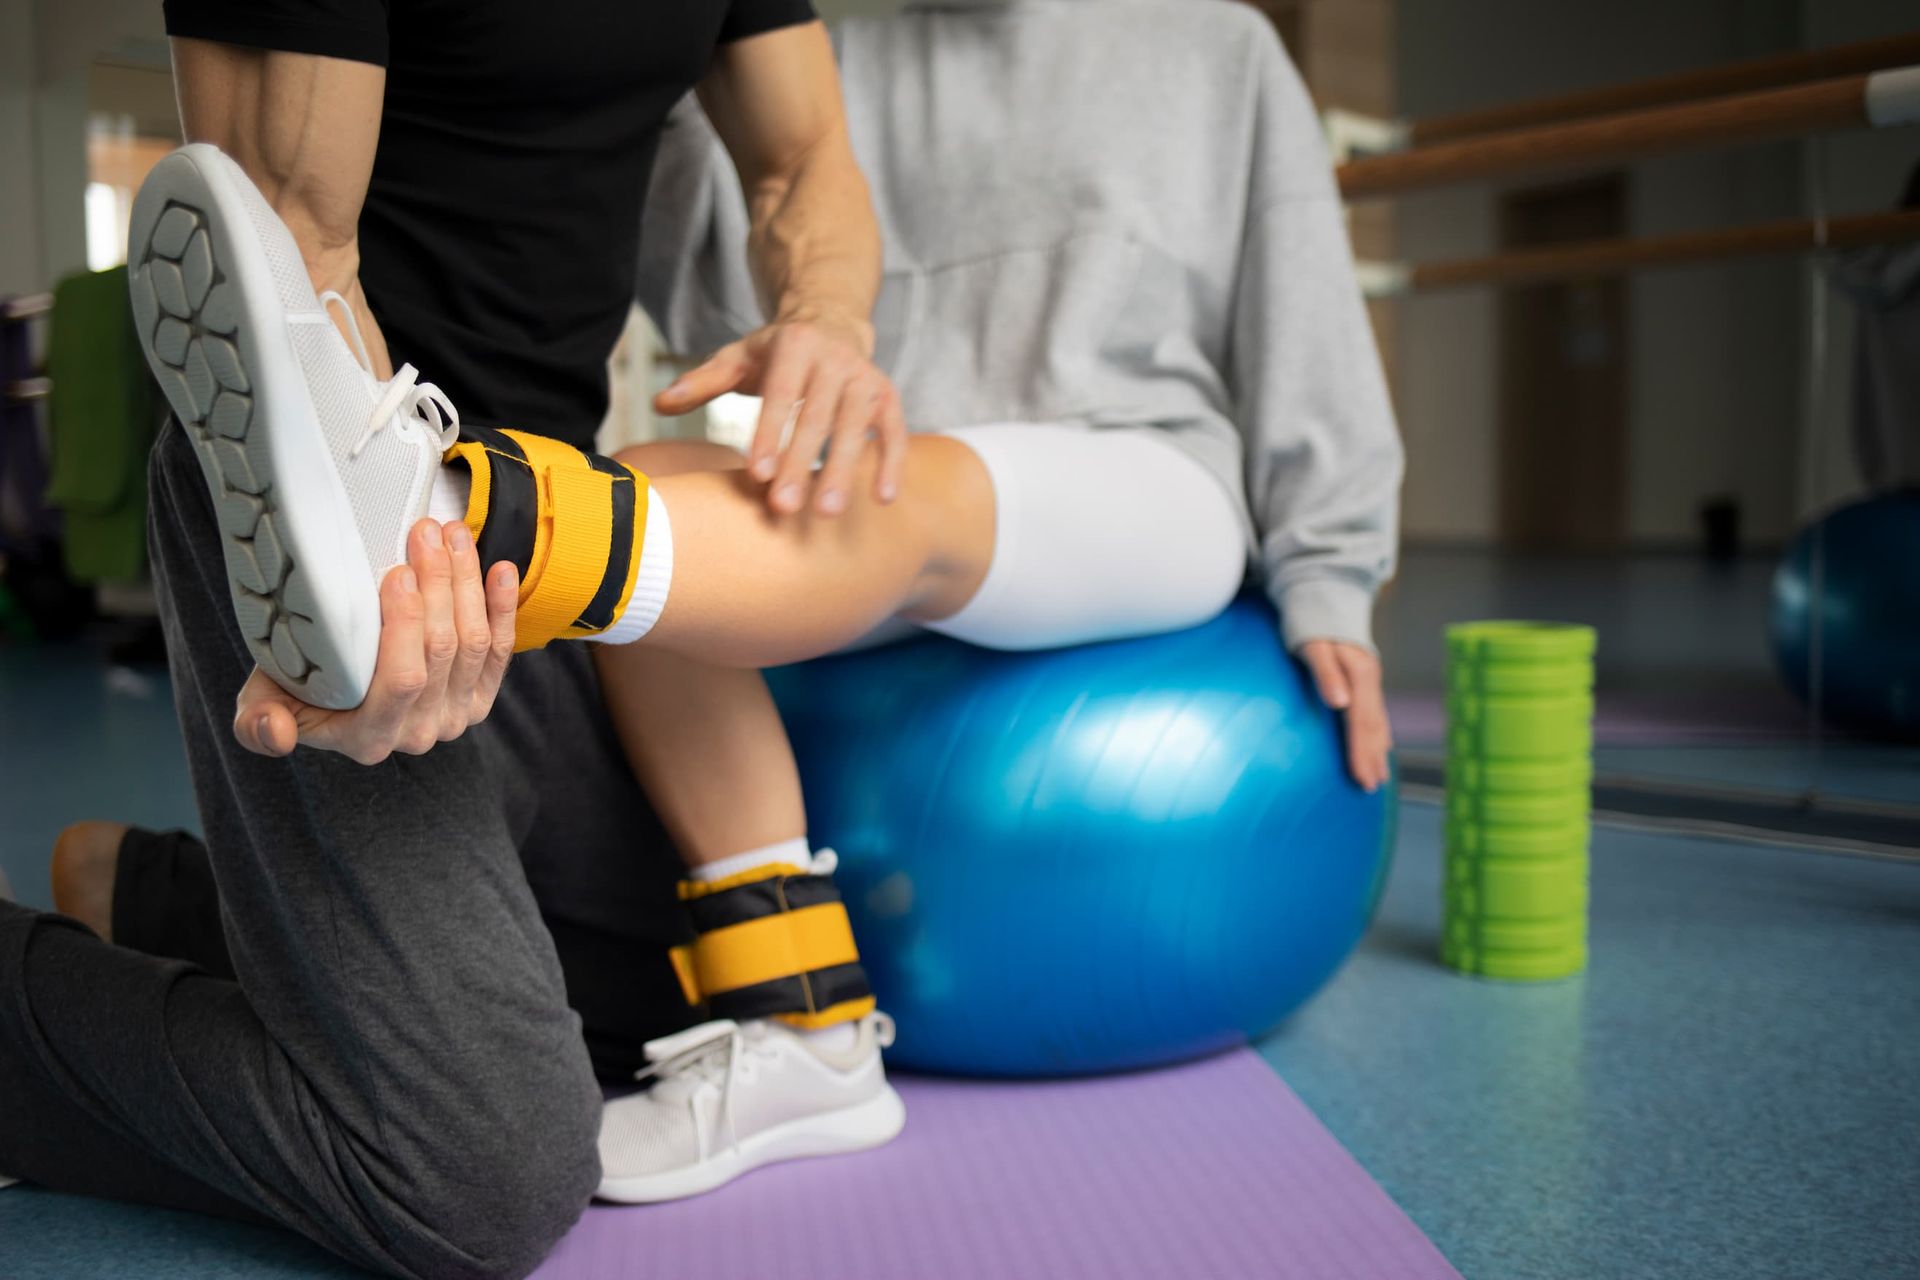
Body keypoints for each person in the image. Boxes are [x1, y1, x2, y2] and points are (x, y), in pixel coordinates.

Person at [2, 1, 934, 1275]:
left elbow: (801, 154)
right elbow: (281, 259)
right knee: (483, 1171)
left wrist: (828, 315)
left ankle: (166, 899)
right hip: (340, 489)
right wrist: (381, 558)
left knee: (690, 991)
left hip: (550, 522)